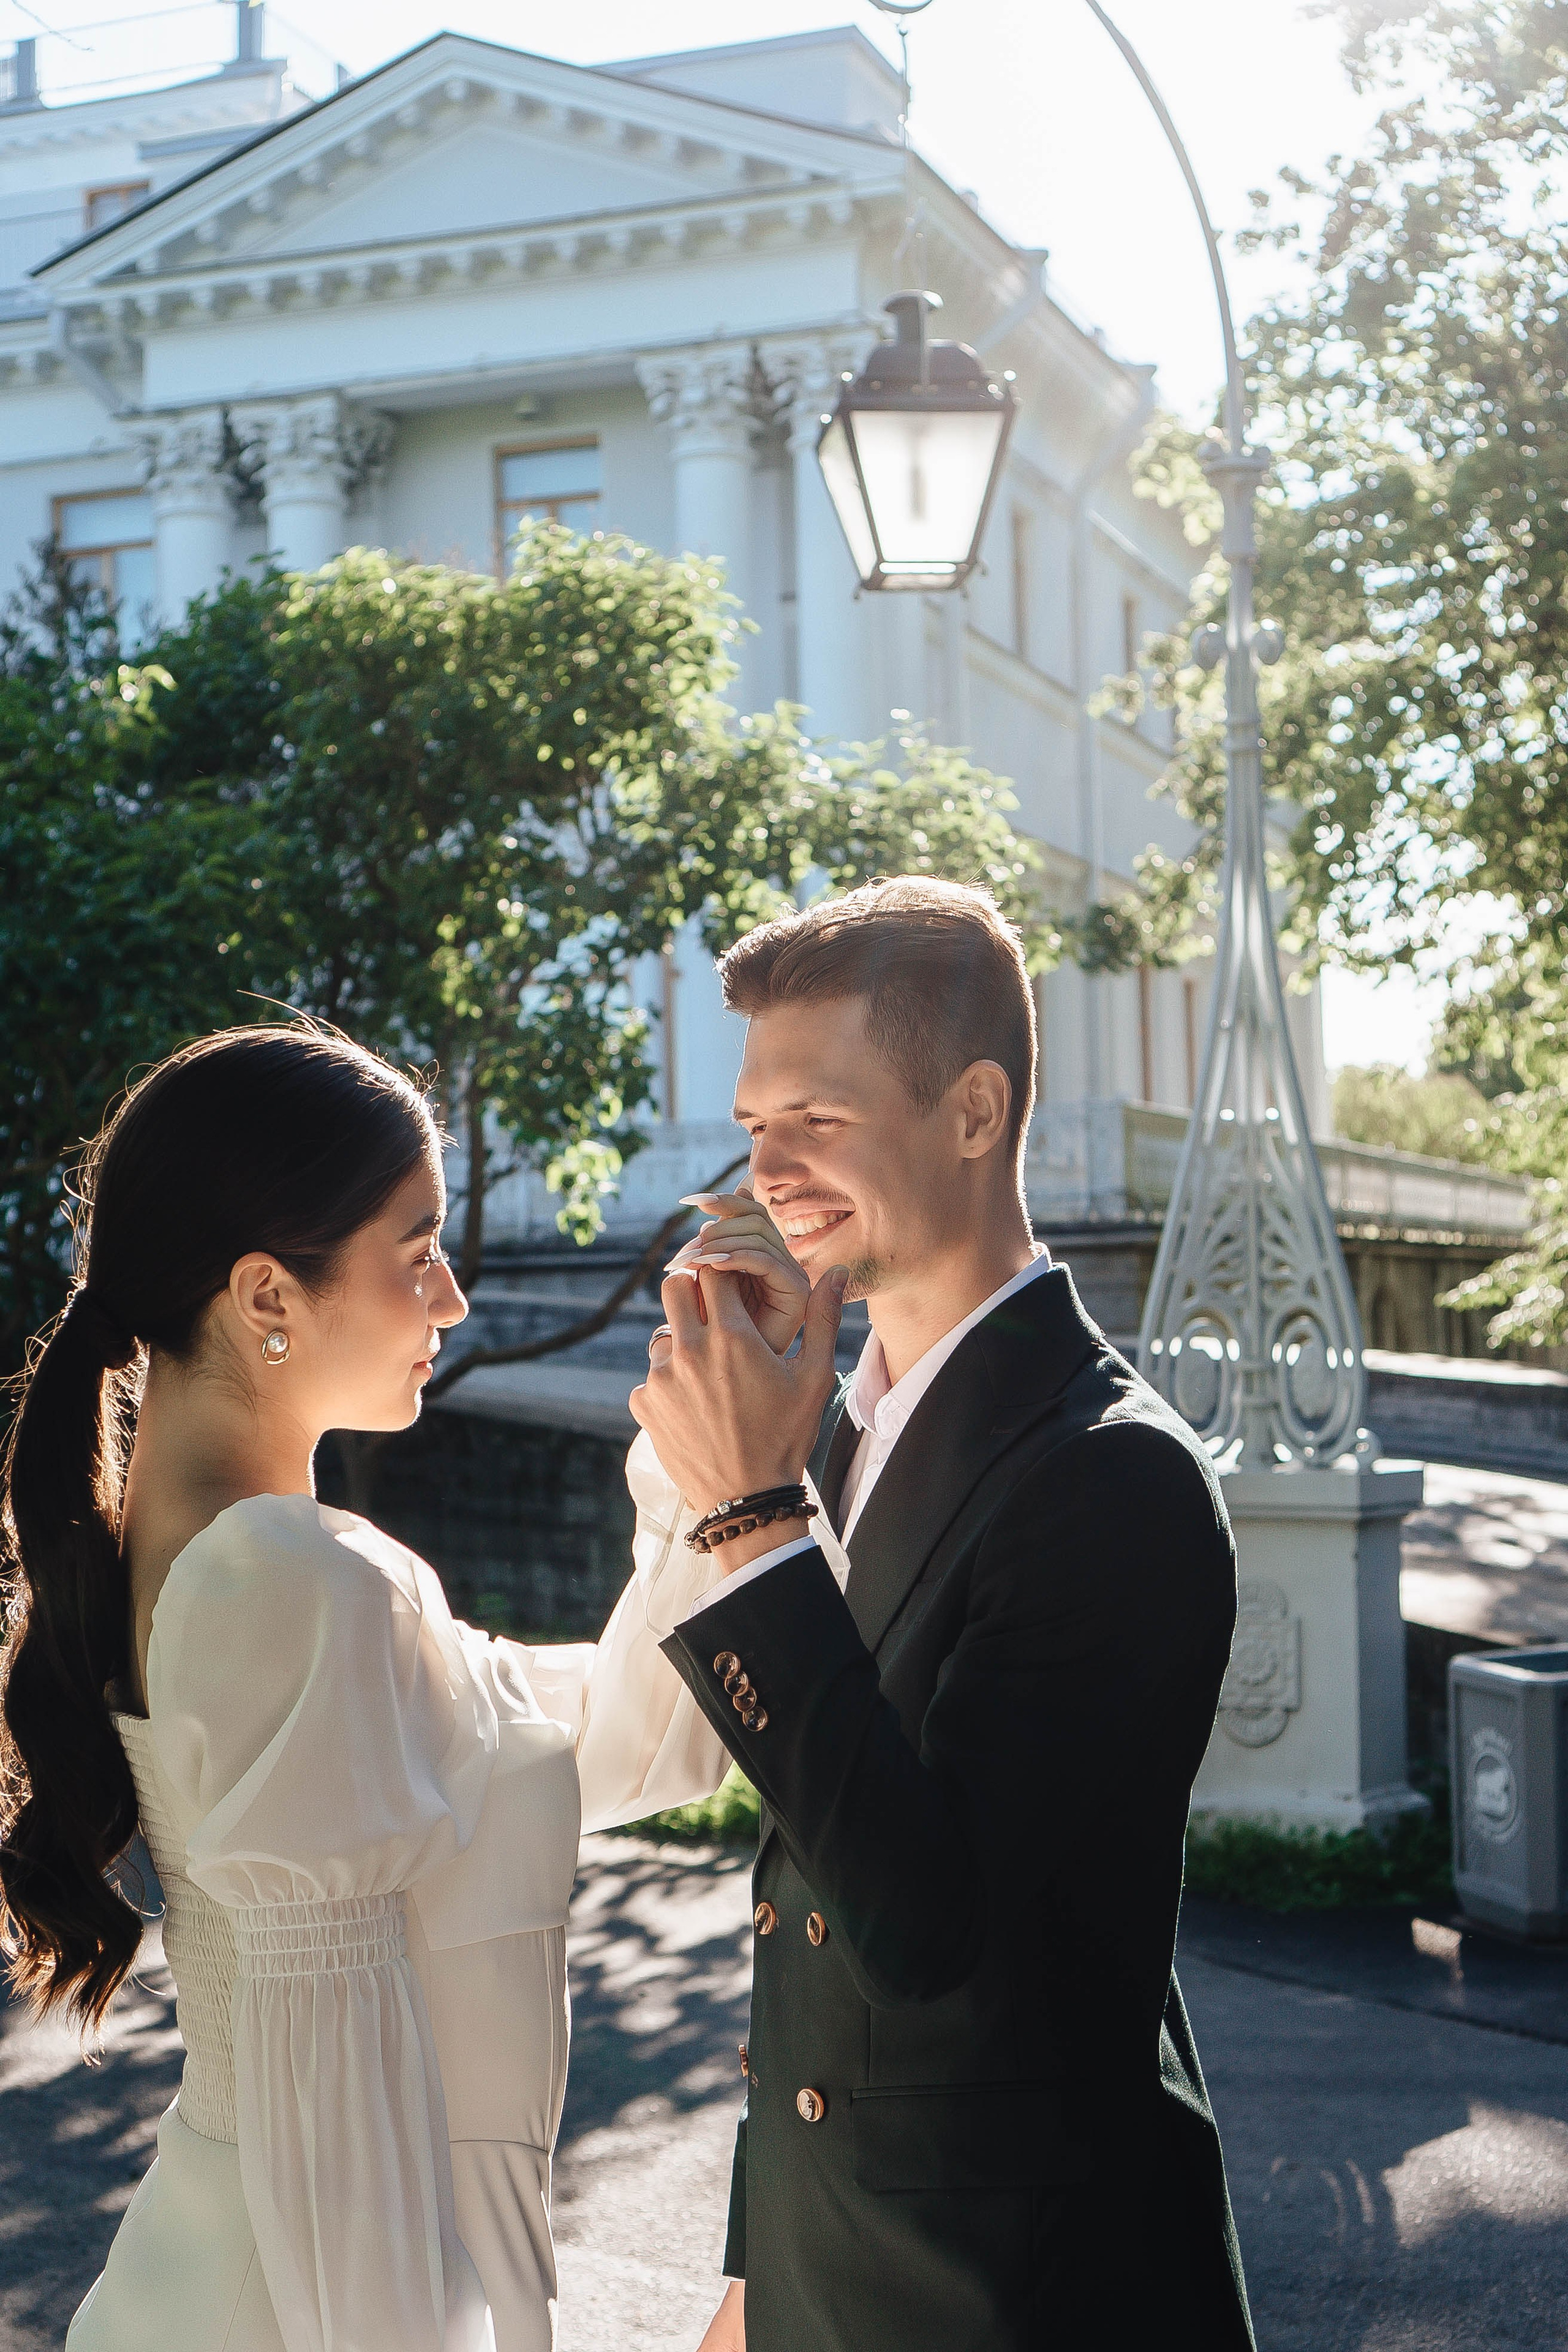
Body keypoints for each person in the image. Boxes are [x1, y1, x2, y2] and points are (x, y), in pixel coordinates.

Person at [0, 1023, 789, 2352]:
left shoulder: (222, 1560)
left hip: (232, 2266)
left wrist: (696, 1472)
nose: (455, 1303)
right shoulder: (289, 1583)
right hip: (290, 2287)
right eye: (416, 1256)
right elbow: (338, 2126)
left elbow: (630, 1737)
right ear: (267, 1298)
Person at [632, 878, 1257, 2352]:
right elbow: (808, 1919)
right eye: (751, 1127)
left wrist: (750, 1519)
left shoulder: (1116, 1477)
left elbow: (922, 1925)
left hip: (1026, 2295)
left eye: (818, 1122)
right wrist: (750, 2275)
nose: (767, 1172)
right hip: (829, 2269)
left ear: (974, 1113)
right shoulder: (842, 1426)